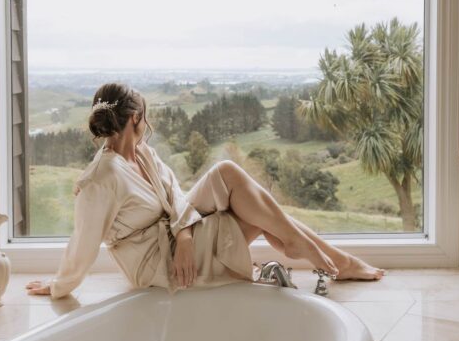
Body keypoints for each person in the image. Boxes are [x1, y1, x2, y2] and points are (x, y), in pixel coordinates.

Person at [26, 83, 383, 299]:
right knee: (249, 201)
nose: (147, 125)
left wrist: (183, 235)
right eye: (144, 118)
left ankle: (317, 252)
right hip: (158, 264)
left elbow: (177, 194)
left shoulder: (143, 155)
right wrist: (60, 285)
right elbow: (84, 242)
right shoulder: (101, 178)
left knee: (232, 182)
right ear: (135, 119)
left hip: (175, 241)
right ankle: (333, 259)